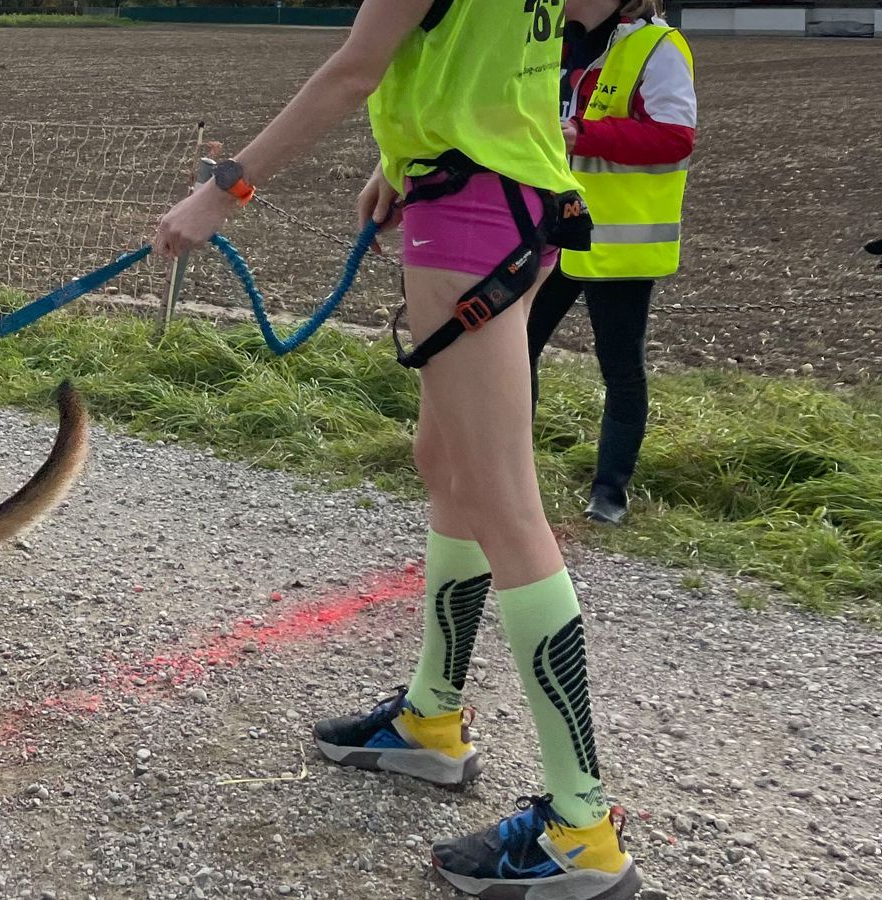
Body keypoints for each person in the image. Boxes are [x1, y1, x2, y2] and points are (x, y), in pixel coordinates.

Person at [152, 2, 639, 899]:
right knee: (445, 466)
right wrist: (400, 154)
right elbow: (558, 21)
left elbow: (355, 67)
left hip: (470, 217)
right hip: (515, 200)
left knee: (505, 506)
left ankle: (583, 827)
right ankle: (432, 722)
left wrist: (223, 188)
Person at [527, 0, 697, 525]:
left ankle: (610, 493)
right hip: (553, 226)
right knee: (515, 348)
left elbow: (676, 138)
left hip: (619, 240)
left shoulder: (658, 47)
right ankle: (512, 472)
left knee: (620, 369)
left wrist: (583, 135)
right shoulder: (554, 41)